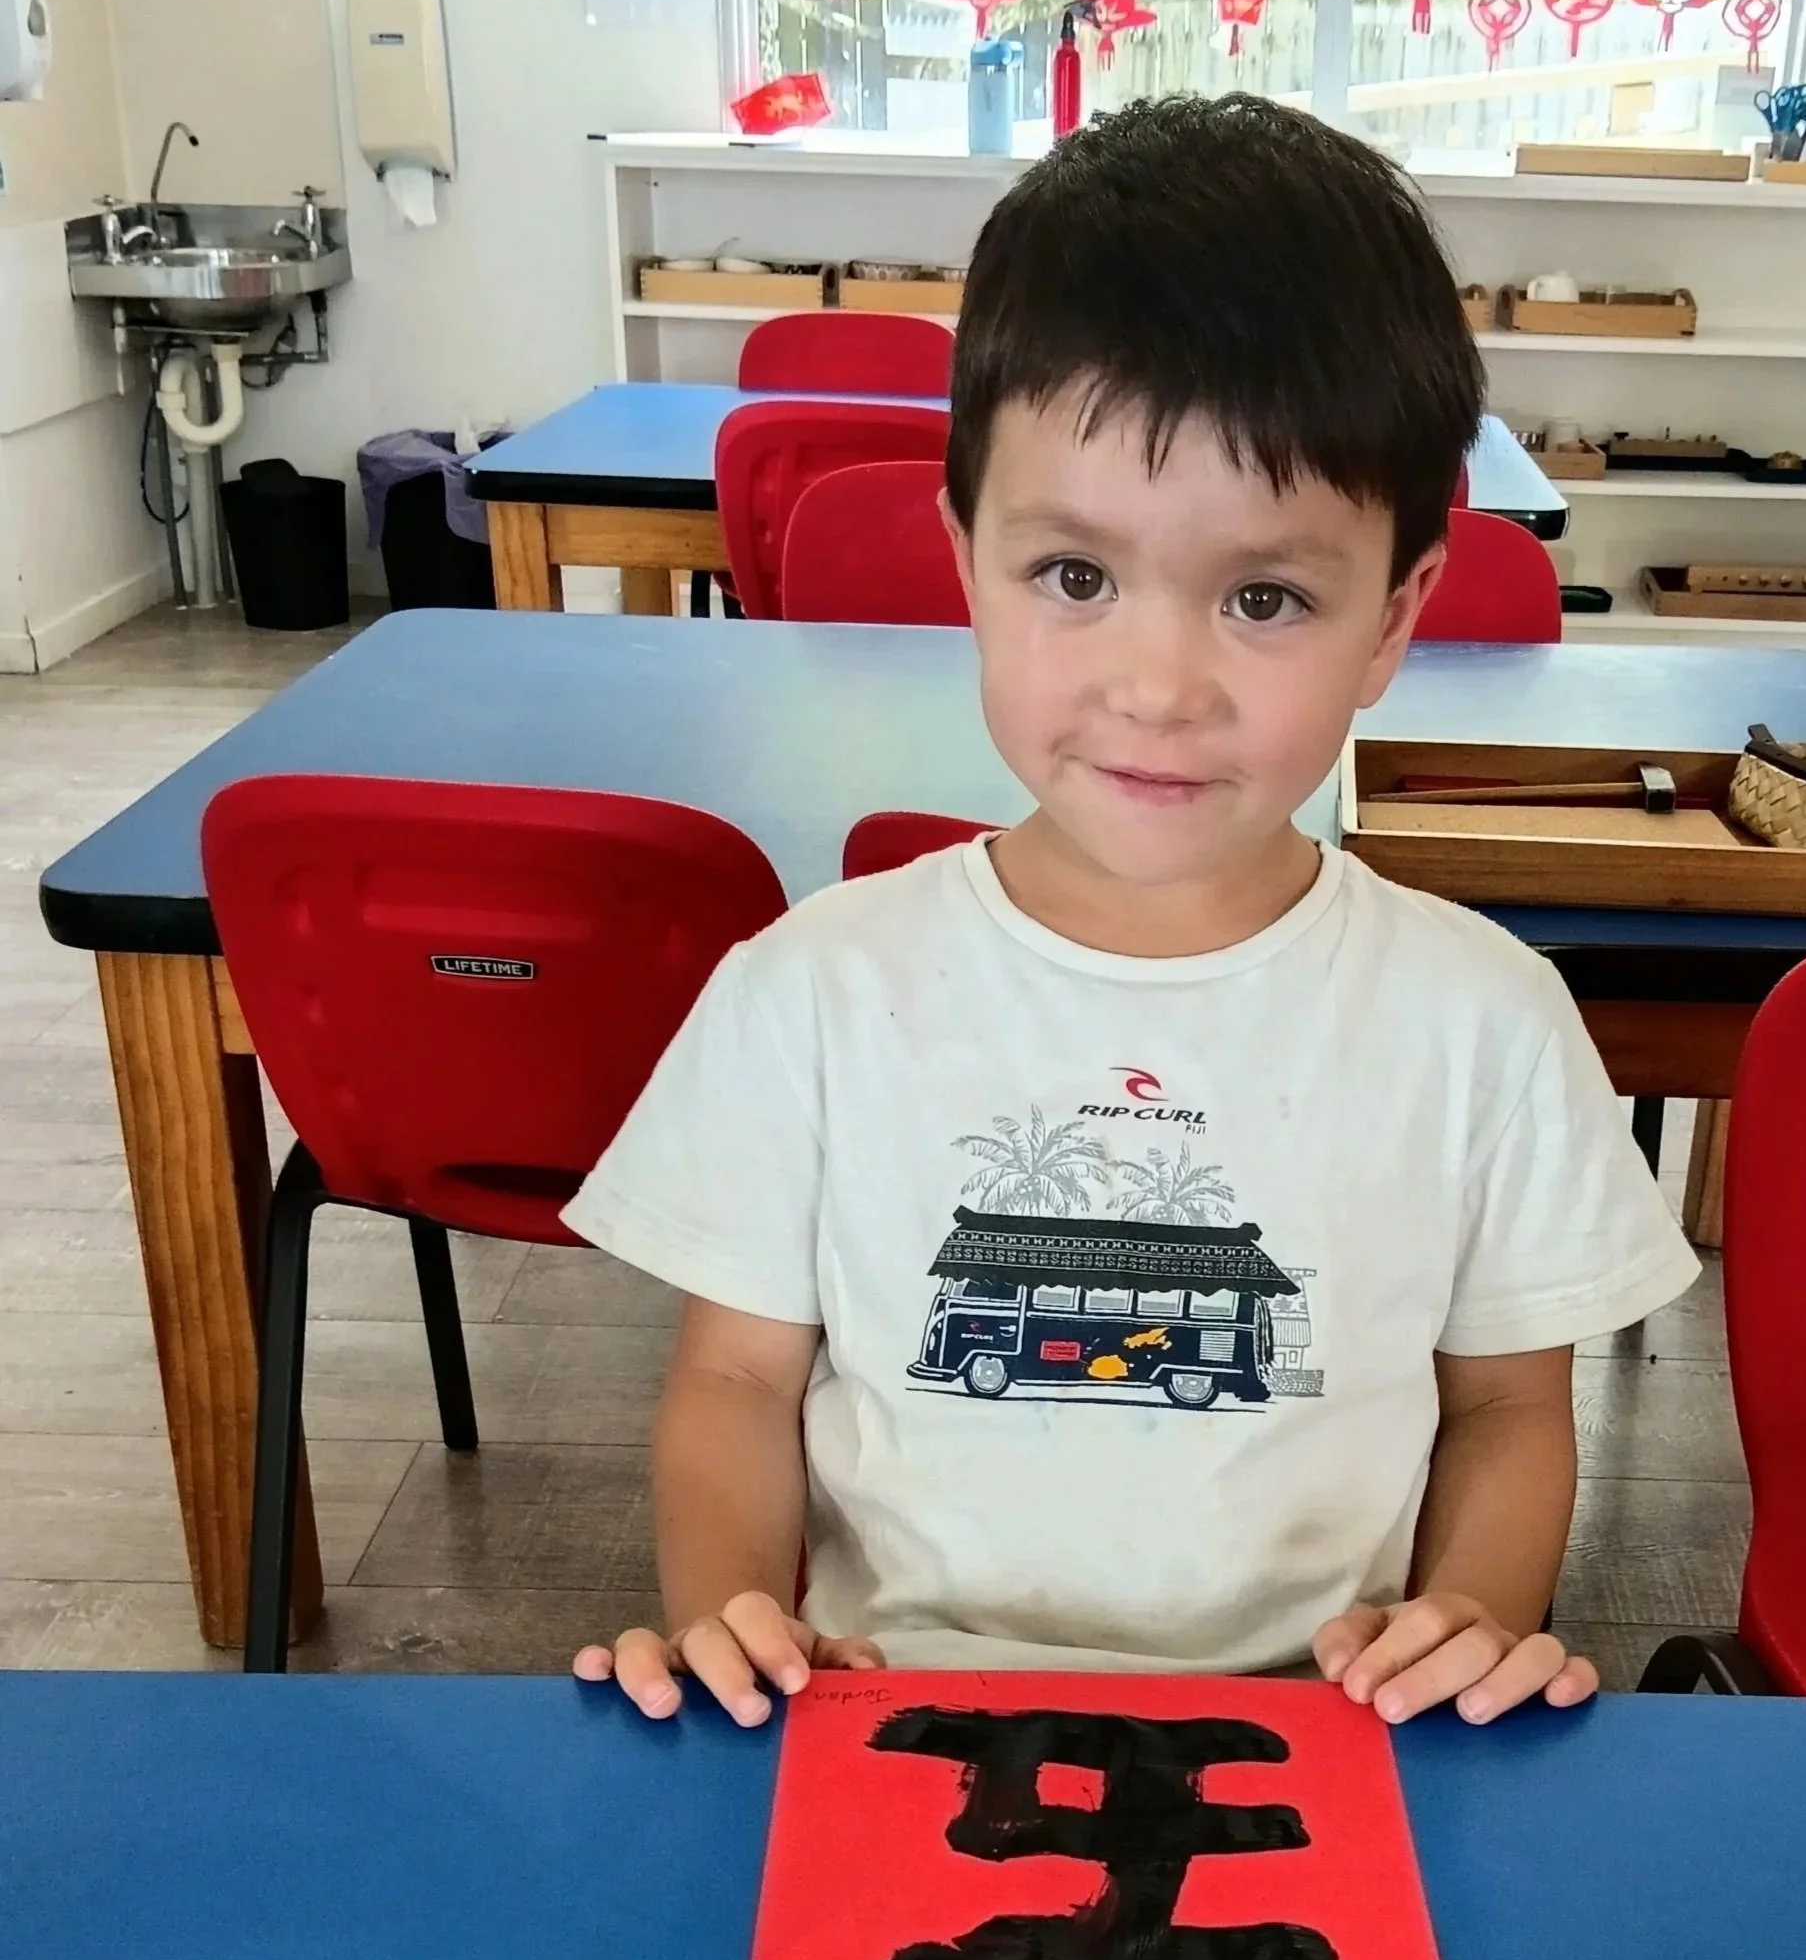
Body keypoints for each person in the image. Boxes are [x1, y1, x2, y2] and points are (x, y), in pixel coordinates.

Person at [566, 95, 1694, 1733]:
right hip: (893, 1731)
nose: (1158, 689)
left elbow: (1511, 1409)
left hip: (1319, 1744)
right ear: (965, 559)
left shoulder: (1486, 1019)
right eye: (1075, 578)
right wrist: (734, 1616)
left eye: (1264, 598)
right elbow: (736, 1380)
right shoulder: (809, 992)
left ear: (1396, 618)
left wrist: (1467, 1618)